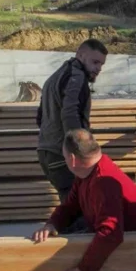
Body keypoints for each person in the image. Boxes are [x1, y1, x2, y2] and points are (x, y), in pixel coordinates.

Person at [32, 129, 136, 271]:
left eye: (64, 156)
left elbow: (110, 234)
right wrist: (52, 223)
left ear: (72, 159)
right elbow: (71, 205)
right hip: (121, 242)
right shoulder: (86, 172)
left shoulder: (103, 182)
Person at [36, 40, 108, 202]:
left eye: (101, 64)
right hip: (64, 157)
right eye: (95, 62)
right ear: (80, 55)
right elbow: (70, 113)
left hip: (47, 152)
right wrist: (78, 151)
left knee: (71, 206)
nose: (98, 68)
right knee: (79, 211)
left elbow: (40, 117)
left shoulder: (55, 76)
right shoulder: (76, 77)